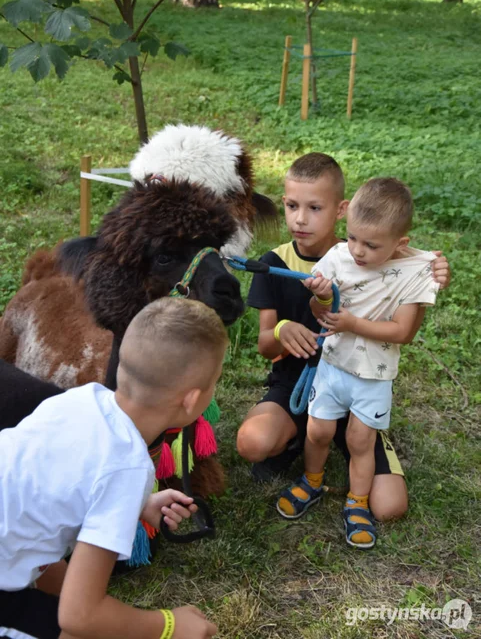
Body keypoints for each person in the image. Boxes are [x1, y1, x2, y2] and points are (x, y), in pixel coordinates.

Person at [236, 154, 450, 522]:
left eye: (315, 207)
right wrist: (282, 329)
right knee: (253, 441)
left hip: (361, 385)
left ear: (341, 209)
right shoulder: (278, 262)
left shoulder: (374, 256)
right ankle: (295, 440)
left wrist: (426, 274)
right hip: (297, 382)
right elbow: (264, 345)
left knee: (390, 507)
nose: (301, 219)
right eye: (291, 206)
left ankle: (362, 440)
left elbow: (405, 328)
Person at [0, 297, 227, 639]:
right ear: (192, 399)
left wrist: (137, 505)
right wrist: (168, 626)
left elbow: (47, 499)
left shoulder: (79, 399)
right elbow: (79, 616)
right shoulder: (128, 468)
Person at [276, 177, 440, 549]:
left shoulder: (413, 274)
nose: (358, 251)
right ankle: (312, 481)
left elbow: (401, 332)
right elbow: (320, 314)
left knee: (359, 440)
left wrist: (351, 323)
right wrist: (320, 298)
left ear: (401, 244)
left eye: (371, 244)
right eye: (352, 238)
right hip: (332, 367)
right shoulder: (337, 257)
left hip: (373, 378)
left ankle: (357, 501)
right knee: (318, 432)